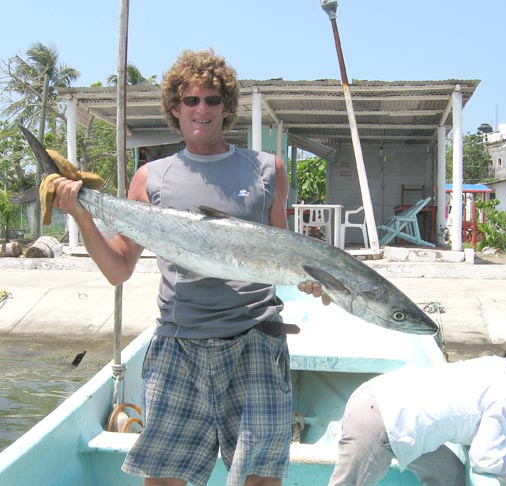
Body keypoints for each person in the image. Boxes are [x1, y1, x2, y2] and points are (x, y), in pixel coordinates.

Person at [52, 49, 328, 486]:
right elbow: (119, 269)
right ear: (175, 108)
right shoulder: (150, 178)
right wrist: (82, 215)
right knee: (163, 480)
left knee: (259, 480)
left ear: (227, 107)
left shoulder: (267, 170)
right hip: (179, 346)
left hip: (256, 341)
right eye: (191, 100)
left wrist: (312, 278)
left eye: (213, 100)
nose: (202, 109)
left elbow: (282, 253)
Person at [329, 350, 506, 485]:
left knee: (449, 476)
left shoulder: (493, 365)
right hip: (382, 419)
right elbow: (486, 461)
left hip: (388, 408)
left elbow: (476, 430)